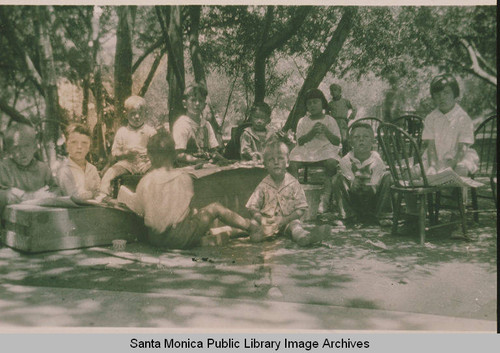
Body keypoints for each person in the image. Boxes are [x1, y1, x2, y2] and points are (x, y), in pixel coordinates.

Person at [129, 128, 257, 249]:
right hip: (180, 237)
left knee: (193, 218)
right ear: (174, 155)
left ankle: (204, 239)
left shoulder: (145, 181)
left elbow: (139, 210)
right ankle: (251, 227)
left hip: (156, 239)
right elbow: (186, 209)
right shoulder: (183, 177)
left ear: (149, 156)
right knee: (214, 208)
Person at [246, 137, 325, 246]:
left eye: (280, 158)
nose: (276, 162)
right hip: (268, 222)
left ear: (287, 162)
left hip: (288, 221)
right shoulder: (263, 185)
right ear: (265, 165)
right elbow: (252, 206)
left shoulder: (293, 183)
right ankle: (262, 234)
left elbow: (301, 208)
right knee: (255, 226)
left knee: (296, 227)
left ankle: (304, 237)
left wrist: (285, 220)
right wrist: (262, 219)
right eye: (271, 160)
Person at [289, 88, 342, 214]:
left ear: (322, 103)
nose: (312, 105)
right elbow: (300, 141)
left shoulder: (330, 120)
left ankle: (325, 197)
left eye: (315, 102)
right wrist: (312, 132)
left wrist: (326, 131)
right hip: (307, 150)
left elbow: (336, 141)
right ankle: (297, 196)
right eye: (309, 103)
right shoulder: (303, 120)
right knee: (292, 162)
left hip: (325, 149)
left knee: (331, 163)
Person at [332, 123, 391, 226]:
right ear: (351, 142)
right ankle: (347, 216)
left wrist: (369, 182)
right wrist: (353, 182)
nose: (361, 140)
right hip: (354, 200)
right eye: (356, 137)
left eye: (366, 137)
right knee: (337, 178)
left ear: (372, 141)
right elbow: (351, 187)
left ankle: (382, 215)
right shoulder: (345, 161)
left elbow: (374, 188)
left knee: (388, 176)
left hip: (373, 200)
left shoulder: (377, 161)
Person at [98, 95, 155, 197]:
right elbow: (115, 152)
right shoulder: (122, 132)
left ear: (145, 114)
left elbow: (157, 151)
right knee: (110, 173)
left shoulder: (150, 131)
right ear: (126, 114)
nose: (137, 117)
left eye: (140, 113)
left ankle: (157, 198)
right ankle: (103, 195)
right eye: (133, 113)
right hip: (127, 163)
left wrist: (149, 158)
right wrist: (126, 153)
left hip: (146, 162)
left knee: (158, 173)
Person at [422, 74, 479, 177]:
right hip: (436, 157)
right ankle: (434, 189)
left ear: (455, 95)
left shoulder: (462, 118)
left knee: (460, 169)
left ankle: (456, 192)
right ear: (433, 97)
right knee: (418, 171)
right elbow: (431, 147)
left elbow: (462, 149)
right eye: (437, 94)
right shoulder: (431, 118)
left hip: (460, 156)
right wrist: (433, 166)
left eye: (446, 93)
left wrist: (449, 167)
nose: (441, 97)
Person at [0, 123, 59, 211]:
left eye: (27, 146)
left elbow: (55, 189)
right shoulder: (4, 168)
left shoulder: (43, 168)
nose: (22, 152)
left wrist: (50, 195)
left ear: (35, 147)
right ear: (9, 150)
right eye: (16, 147)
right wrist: (33, 196)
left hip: (41, 218)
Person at [171, 84, 222, 165]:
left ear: (205, 105)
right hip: (187, 167)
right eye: (193, 100)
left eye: (201, 100)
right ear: (185, 104)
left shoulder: (206, 124)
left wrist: (224, 160)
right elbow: (179, 154)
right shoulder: (182, 124)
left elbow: (213, 151)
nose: (197, 103)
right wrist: (197, 161)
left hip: (206, 165)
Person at [56, 124, 100, 200]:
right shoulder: (64, 170)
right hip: (72, 210)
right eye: (74, 142)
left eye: (84, 143)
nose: (79, 147)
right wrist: (92, 194)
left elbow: (99, 192)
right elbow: (74, 198)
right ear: (67, 145)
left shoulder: (92, 169)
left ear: (89, 146)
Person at [328, 83, 357, 154]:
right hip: (333, 122)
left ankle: (346, 155)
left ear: (340, 91)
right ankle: (334, 155)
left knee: (344, 139)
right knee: (333, 139)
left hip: (342, 122)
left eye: (335, 90)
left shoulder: (345, 101)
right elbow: (326, 113)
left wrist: (350, 117)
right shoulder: (330, 103)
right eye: (331, 90)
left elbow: (354, 108)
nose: (333, 92)